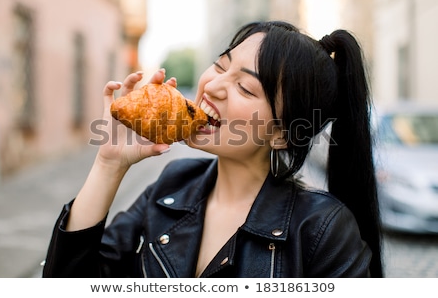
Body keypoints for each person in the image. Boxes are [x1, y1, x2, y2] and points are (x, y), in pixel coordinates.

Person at [42, 20, 383, 278]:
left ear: (282, 134)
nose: (214, 86)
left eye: (246, 88)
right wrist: (109, 164)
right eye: (220, 65)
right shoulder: (171, 188)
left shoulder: (322, 230)